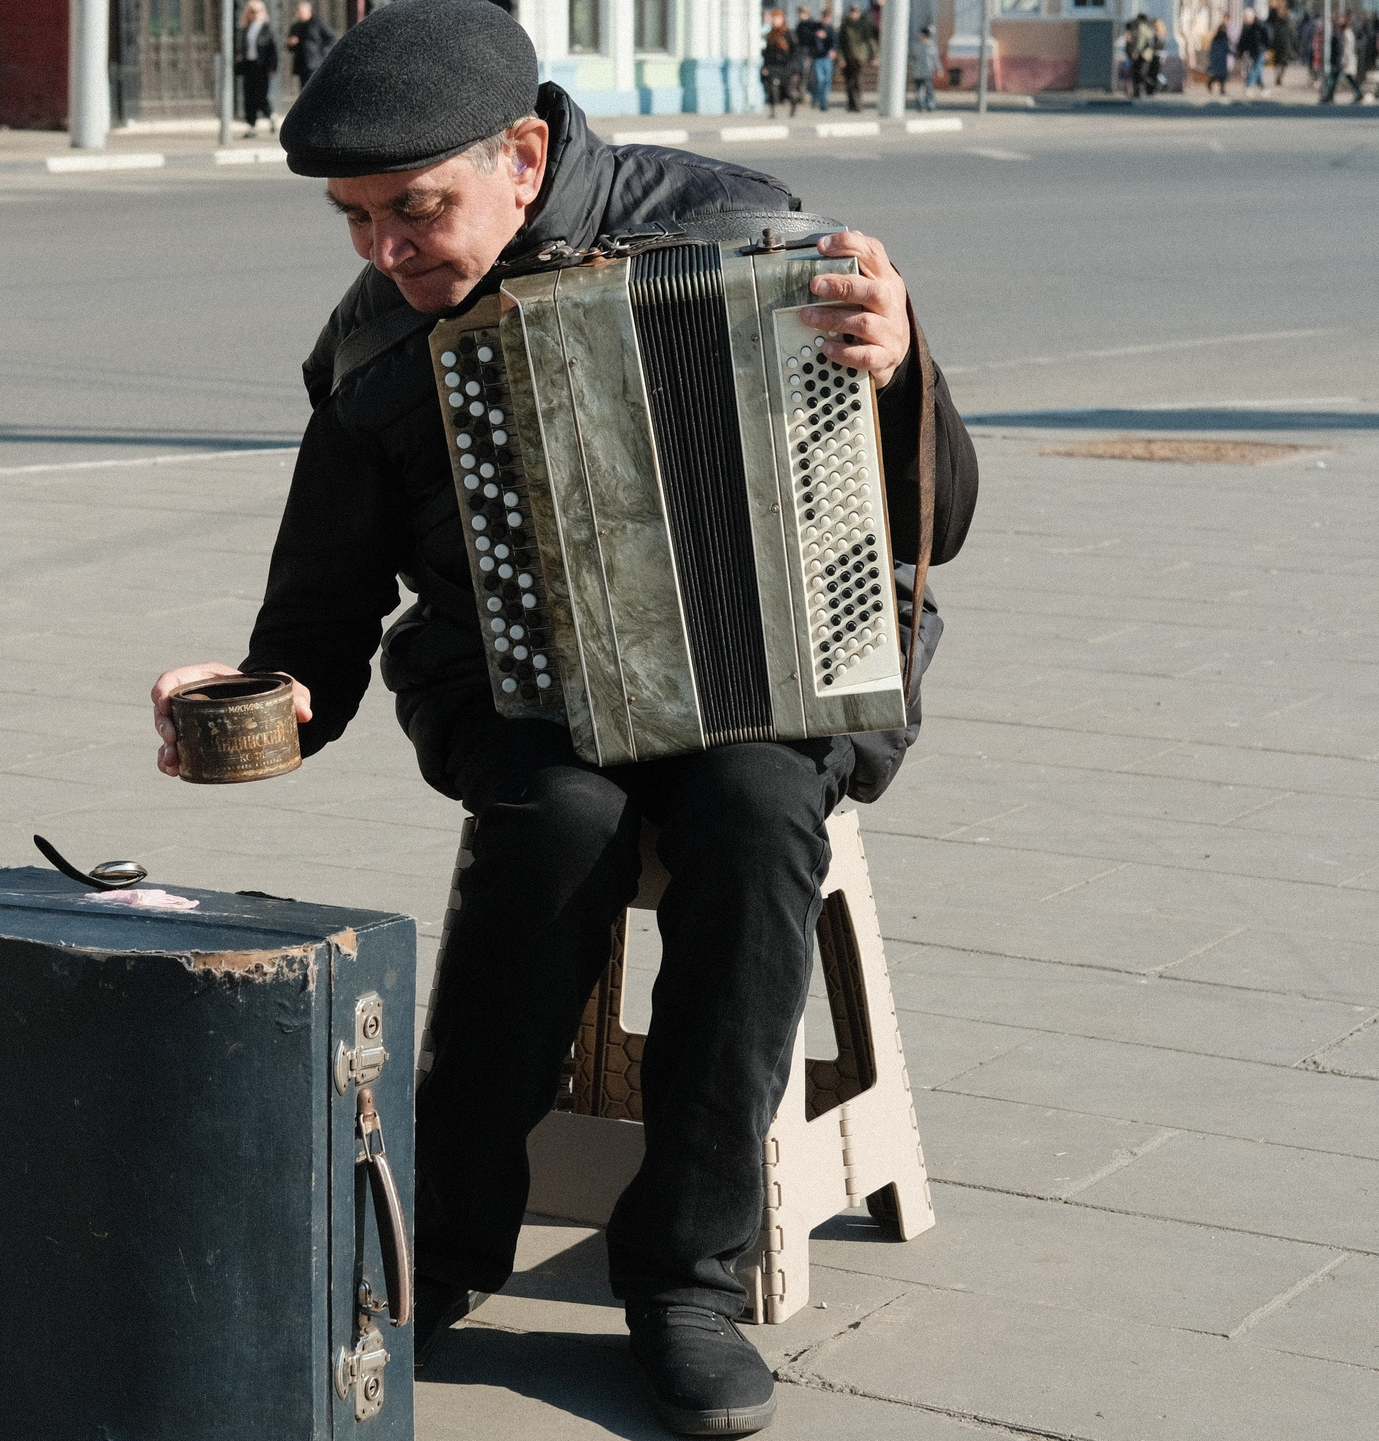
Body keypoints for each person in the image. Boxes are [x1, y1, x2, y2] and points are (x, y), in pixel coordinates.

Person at [148, 3, 975, 1434]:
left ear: (524, 154)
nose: (384, 251)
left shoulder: (746, 235)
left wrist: (902, 366)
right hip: (518, 685)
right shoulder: (381, 353)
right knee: (557, 818)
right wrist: (262, 703)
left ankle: (686, 1278)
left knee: (755, 816)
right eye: (353, 220)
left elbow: (937, 524)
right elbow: (321, 616)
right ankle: (449, 1241)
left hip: (771, 673)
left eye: (413, 209)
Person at [236, 0, 280, 136]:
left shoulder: (266, 29)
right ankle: (251, 125)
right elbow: (242, 46)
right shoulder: (246, 29)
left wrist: (273, 67)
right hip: (249, 65)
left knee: (261, 95)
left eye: (260, 11)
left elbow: (273, 50)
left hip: (262, 67)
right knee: (249, 96)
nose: (257, 14)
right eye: (253, 11)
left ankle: (271, 115)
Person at [284, 0, 336, 93]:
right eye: (298, 10)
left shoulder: (318, 23)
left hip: (315, 63)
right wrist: (291, 43)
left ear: (308, 9)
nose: (299, 13)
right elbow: (290, 47)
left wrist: (322, 54)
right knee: (304, 90)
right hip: (301, 63)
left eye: (301, 10)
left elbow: (331, 38)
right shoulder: (296, 26)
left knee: (314, 89)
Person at [796, 7, 836, 116]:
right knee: (820, 79)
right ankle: (815, 99)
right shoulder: (816, 27)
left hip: (827, 58)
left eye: (829, 18)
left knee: (827, 80)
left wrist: (833, 51)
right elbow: (809, 39)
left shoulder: (831, 29)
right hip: (817, 57)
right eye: (825, 18)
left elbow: (834, 42)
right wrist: (815, 35)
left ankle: (823, 102)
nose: (827, 20)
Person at [838, 2, 877, 110]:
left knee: (858, 81)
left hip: (860, 56)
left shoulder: (863, 24)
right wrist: (841, 58)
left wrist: (874, 56)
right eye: (852, 12)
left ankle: (858, 104)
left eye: (856, 12)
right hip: (848, 56)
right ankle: (851, 104)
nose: (854, 15)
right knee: (849, 82)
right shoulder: (845, 25)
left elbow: (870, 40)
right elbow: (841, 43)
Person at [762, 16, 802, 115]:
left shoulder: (788, 33)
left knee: (787, 90)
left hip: (786, 66)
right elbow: (767, 52)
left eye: (778, 19)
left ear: (783, 20)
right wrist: (765, 66)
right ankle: (773, 110)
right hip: (773, 66)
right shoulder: (771, 34)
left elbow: (796, 50)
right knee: (772, 87)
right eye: (774, 19)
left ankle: (794, 102)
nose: (775, 21)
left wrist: (793, 65)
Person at [1319, 13, 1356, 102]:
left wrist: (1343, 59)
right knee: (1336, 77)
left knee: (1336, 77)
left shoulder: (1346, 33)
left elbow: (1346, 48)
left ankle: (1329, 95)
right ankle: (1329, 95)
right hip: (1339, 59)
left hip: (1342, 59)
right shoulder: (1341, 32)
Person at [1127, 8, 1161, 96]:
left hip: (1142, 54)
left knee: (1138, 73)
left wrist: (1136, 52)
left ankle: (1139, 90)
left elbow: (1140, 41)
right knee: (1142, 72)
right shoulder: (1148, 27)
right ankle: (1144, 89)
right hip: (1148, 54)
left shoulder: (1141, 27)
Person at [908, 23, 939, 108]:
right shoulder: (917, 45)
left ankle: (929, 103)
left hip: (927, 70)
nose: (919, 35)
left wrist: (939, 69)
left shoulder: (931, 46)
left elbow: (935, 58)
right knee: (919, 88)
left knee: (928, 88)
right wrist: (912, 65)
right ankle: (921, 104)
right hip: (919, 71)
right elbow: (912, 57)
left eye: (921, 34)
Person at [1241, 9, 1270, 90]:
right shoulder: (1251, 27)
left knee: (1256, 68)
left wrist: (1266, 49)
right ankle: (1262, 87)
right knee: (1257, 68)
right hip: (1256, 50)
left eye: (1246, 18)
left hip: (1259, 50)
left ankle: (1248, 84)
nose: (1244, 19)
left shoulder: (1257, 26)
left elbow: (1266, 38)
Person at [1207, 20, 1232, 94]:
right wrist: (1233, 53)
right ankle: (1217, 86)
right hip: (1221, 59)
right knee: (1221, 74)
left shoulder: (1216, 39)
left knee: (1219, 74)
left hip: (1217, 58)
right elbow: (1226, 48)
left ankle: (1221, 88)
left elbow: (1212, 50)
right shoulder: (1223, 38)